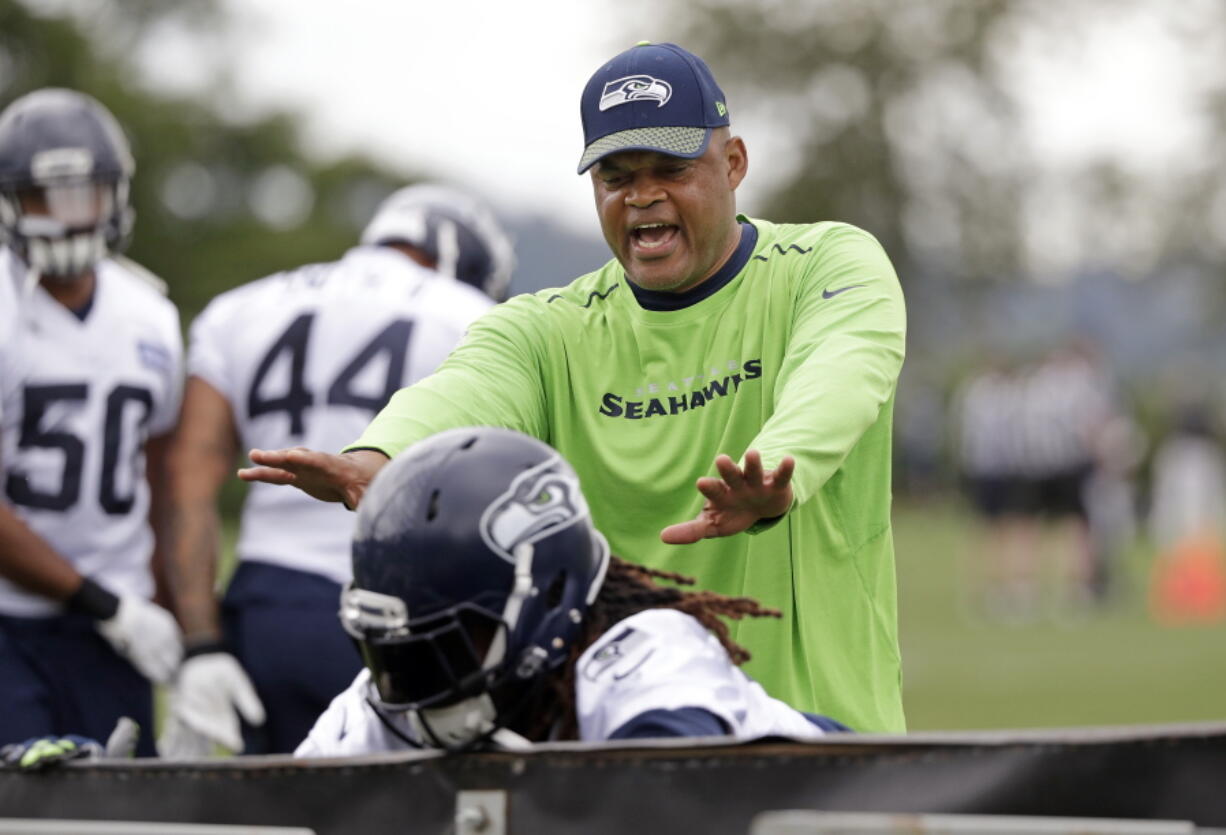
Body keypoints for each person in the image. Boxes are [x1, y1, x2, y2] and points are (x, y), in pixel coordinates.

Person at [242, 42, 907, 732]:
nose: (642, 195)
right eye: (615, 176)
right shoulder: (547, 329)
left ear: (733, 163)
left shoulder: (825, 263)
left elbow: (845, 365)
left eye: (670, 169)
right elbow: (468, 387)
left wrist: (779, 468)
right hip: (622, 755)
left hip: (828, 747)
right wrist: (379, 456)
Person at [160, 184, 513, 756]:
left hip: (266, 604)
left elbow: (188, 480)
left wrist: (200, 642)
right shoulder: (476, 318)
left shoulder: (242, 307)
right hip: (403, 606)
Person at [296, 427, 848, 755]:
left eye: (452, 639)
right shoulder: (386, 697)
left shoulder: (646, 658)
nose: (417, 676)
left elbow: (666, 800)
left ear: (548, 595)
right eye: (395, 649)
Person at [0, 88, 184, 756]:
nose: (69, 217)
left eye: (86, 193)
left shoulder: (151, 315)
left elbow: (160, 487)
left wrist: (189, 635)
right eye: (46, 196)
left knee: (121, 817)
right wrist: (109, 605)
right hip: (13, 624)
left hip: (117, 632)